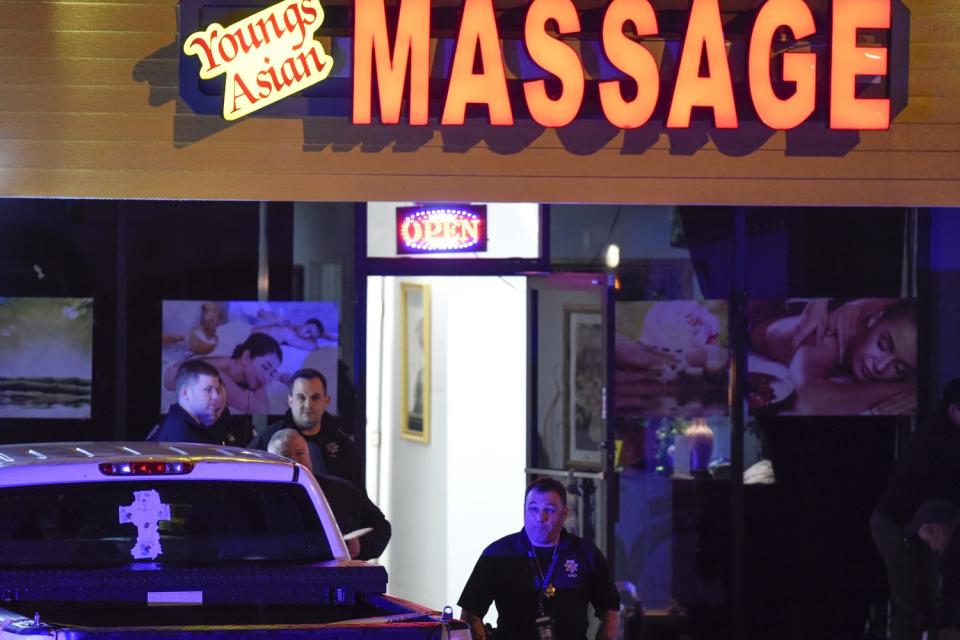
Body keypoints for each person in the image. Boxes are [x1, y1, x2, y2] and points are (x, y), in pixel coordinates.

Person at [458, 477, 620, 640]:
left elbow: (610, 609)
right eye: (533, 509)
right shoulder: (497, 553)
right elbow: (470, 614)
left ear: (564, 514)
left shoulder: (585, 554)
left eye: (549, 510)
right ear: (524, 510)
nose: (540, 518)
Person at [871, 378, 960, 640]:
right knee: (910, 601)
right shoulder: (939, 444)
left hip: (913, 523)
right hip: (896, 524)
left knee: (924, 597)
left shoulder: (941, 435)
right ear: (954, 411)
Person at [749, 298, 917, 414]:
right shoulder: (831, 337)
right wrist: (903, 388)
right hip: (752, 318)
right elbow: (808, 399)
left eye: (898, 367)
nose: (880, 367)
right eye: (882, 345)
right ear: (874, 319)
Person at [267, 428, 390, 560]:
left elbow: (381, 527)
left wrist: (361, 546)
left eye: (300, 453)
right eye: (286, 456)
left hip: (337, 576)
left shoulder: (341, 489)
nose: (295, 461)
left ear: (309, 454)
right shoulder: (261, 496)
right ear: (271, 462)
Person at [248, 368, 363, 489]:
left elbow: (359, 500)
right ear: (290, 401)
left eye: (315, 397)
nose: (308, 404)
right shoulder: (267, 440)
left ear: (326, 401)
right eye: (301, 397)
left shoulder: (345, 447)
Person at [164, 333, 283, 415]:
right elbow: (261, 410)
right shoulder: (218, 375)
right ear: (246, 357)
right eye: (265, 367)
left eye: (272, 373)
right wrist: (259, 385)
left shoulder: (229, 365)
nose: (267, 377)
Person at [906, 499, 960, 630]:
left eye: (928, 541)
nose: (933, 548)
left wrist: (925, 620)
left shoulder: (952, 559)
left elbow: (954, 611)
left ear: (937, 529)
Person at [149, 360, 224, 444]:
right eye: (208, 389)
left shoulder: (177, 423)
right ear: (185, 393)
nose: (216, 396)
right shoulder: (180, 435)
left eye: (216, 390)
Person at [251, 317, 331, 350]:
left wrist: (325, 336)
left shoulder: (292, 328)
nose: (307, 336)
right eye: (308, 330)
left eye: (311, 337)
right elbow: (314, 347)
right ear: (305, 324)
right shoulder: (289, 333)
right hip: (245, 334)